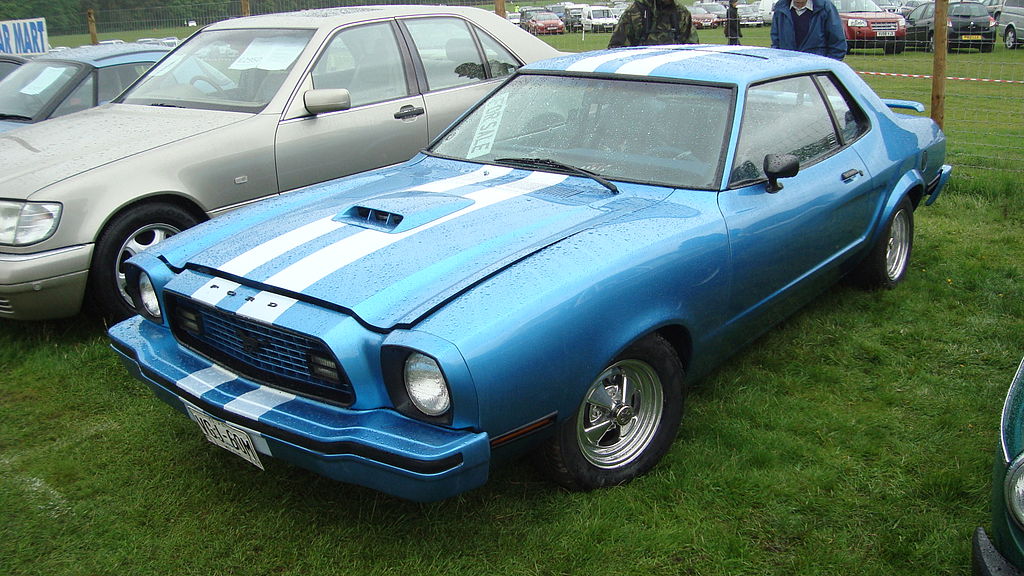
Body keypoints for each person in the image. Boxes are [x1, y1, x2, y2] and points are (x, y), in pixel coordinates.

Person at [770, 0, 847, 60]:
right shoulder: (780, 8)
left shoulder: (825, 7)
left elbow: (838, 44)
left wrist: (826, 68)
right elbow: (776, 42)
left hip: (816, 72)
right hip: (788, 71)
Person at [608, 0, 698, 48]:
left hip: (673, 77)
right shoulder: (635, 12)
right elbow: (616, 51)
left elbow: (692, 52)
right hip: (642, 77)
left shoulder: (681, 13)